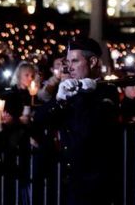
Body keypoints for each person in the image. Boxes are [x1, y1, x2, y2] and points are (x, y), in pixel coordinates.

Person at [34, 38, 121, 205]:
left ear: (93, 61)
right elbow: (38, 120)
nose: (69, 67)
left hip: (92, 184)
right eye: (68, 61)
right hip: (63, 180)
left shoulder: (106, 91)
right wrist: (58, 99)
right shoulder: (69, 88)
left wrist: (82, 95)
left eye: (75, 60)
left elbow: (88, 129)